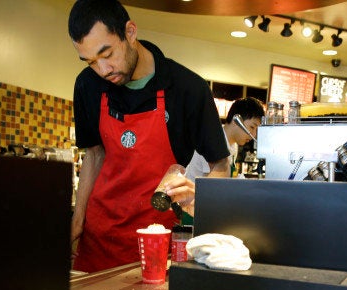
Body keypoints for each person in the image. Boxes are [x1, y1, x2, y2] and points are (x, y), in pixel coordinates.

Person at [68, 0, 230, 273]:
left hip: (155, 242)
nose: (103, 70)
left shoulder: (188, 89)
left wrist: (199, 192)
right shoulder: (88, 85)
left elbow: (221, 165)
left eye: (107, 54)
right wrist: (77, 222)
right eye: (91, 61)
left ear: (130, 32)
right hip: (99, 242)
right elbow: (94, 155)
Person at [185, 97, 265, 180]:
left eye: (256, 130)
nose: (254, 134)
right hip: (195, 190)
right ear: (236, 121)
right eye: (252, 127)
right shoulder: (213, 140)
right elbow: (209, 182)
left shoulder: (233, 146)